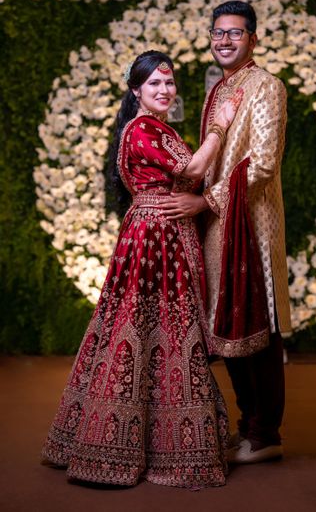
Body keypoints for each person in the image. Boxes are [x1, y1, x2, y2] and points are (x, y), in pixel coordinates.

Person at [41, 50, 243, 488]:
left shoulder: (157, 128)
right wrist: (219, 126)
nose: (165, 91)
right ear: (136, 91)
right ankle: (115, 448)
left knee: (158, 334)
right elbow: (191, 169)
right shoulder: (141, 130)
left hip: (164, 236)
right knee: (142, 333)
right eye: (154, 84)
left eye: (169, 84)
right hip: (153, 241)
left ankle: (159, 442)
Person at [159, 1, 292, 464]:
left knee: (257, 324)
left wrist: (206, 200)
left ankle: (265, 435)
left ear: (252, 39)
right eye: (218, 32)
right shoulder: (217, 92)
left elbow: (264, 162)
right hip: (217, 226)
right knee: (227, 327)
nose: (225, 40)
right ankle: (248, 426)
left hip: (250, 226)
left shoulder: (266, 87)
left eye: (235, 33)